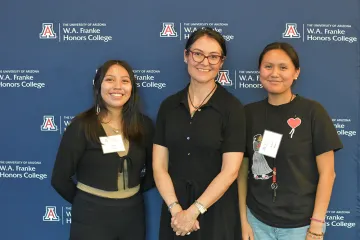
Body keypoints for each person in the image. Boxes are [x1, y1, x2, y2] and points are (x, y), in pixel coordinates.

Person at [238, 42, 343, 240]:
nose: (274, 73)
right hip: (257, 222)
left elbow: (328, 173)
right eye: (268, 66)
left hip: (301, 227)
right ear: (260, 71)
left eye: (283, 67)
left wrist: (316, 225)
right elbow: (242, 172)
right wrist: (244, 220)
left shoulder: (313, 112)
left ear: (296, 73)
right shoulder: (248, 114)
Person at [153, 27, 246, 239]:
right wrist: (177, 211)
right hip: (174, 213)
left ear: (221, 62)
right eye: (198, 54)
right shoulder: (168, 106)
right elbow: (159, 166)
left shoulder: (232, 108)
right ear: (186, 56)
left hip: (216, 213)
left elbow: (230, 171)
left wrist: (193, 212)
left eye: (213, 57)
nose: (205, 62)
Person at [51, 60, 154, 240]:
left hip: (133, 215)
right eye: (110, 80)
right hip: (91, 216)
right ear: (99, 86)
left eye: (125, 81)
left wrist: (129, 196)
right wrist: (89, 202)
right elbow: (59, 179)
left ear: (132, 88)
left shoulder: (144, 125)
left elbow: (155, 172)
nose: (117, 87)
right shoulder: (81, 126)